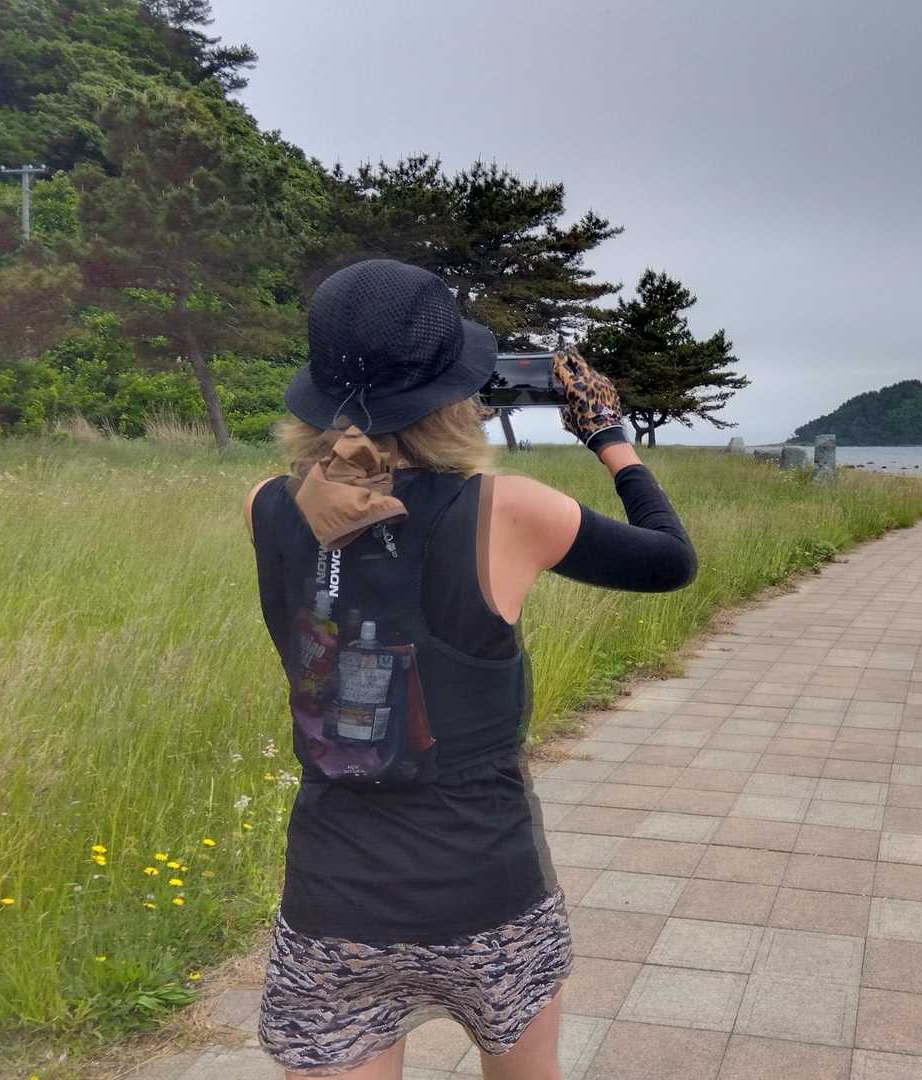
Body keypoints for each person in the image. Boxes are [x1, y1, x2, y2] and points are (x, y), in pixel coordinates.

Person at [244, 258, 697, 1079]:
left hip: (333, 897)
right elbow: (670, 561)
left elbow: (352, 513)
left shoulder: (268, 506)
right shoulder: (506, 509)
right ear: (457, 393)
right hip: (488, 890)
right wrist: (609, 439)